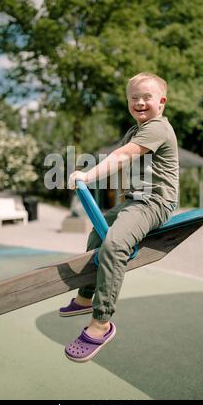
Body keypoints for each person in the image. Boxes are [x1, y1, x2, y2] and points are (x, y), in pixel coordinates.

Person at [61, 72, 179, 362]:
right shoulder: (134, 131)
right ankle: (87, 296)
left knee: (114, 245)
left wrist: (87, 175)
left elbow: (122, 157)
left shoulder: (157, 128)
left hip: (155, 201)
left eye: (147, 97)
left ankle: (101, 322)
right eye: (134, 97)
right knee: (95, 235)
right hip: (133, 201)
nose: (140, 102)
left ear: (161, 103)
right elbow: (122, 159)